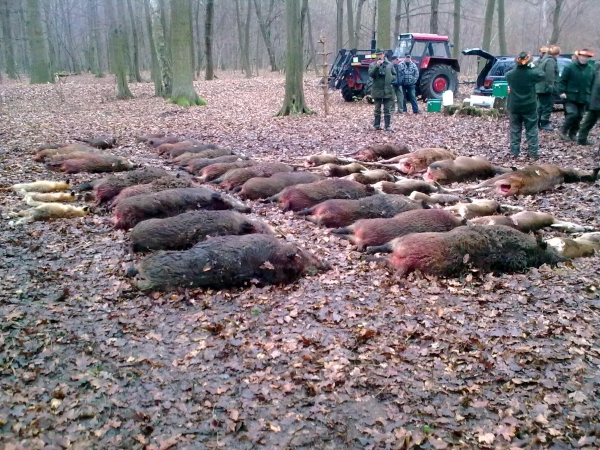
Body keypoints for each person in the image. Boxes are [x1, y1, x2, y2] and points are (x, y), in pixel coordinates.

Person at [505, 52, 545, 158]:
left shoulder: (509, 75)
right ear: (529, 62)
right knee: (531, 130)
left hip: (514, 106)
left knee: (515, 130)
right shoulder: (532, 74)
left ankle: (514, 153)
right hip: (529, 106)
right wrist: (532, 66)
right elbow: (541, 74)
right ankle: (533, 153)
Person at [558, 49, 595, 141]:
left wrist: (591, 95)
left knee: (579, 116)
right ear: (578, 56)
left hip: (583, 96)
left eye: (586, 57)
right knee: (572, 114)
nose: (584, 58)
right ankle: (563, 131)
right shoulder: (570, 67)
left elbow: (592, 83)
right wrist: (562, 92)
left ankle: (573, 134)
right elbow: (562, 81)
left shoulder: (590, 69)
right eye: (583, 56)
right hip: (570, 96)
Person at [368, 49, 396, 131]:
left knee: (387, 109)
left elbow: (395, 75)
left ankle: (387, 126)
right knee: (377, 109)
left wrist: (391, 78)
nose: (379, 56)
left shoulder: (389, 64)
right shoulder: (372, 65)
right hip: (377, 89)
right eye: (377, 54)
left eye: (380, 54)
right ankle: (377, 125)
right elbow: (371, 75)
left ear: (383, 54)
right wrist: (377, 66)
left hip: (387, 89)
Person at [536, 45, 560, 131]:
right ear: (556, 54)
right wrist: (551, 87)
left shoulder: (544, 60)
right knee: (547, 106)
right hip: (546, 88)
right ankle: (544, 123)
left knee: (540, 106)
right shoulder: (550, 61)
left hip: (541, 87)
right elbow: (549, 76)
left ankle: (537, 123)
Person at [577, 61, 600, 145]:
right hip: (596, 99)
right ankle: (581, 139)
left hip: (594, 100)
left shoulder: (596, 68)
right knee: (589, 121)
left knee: (589, 121)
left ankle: (581, 139)